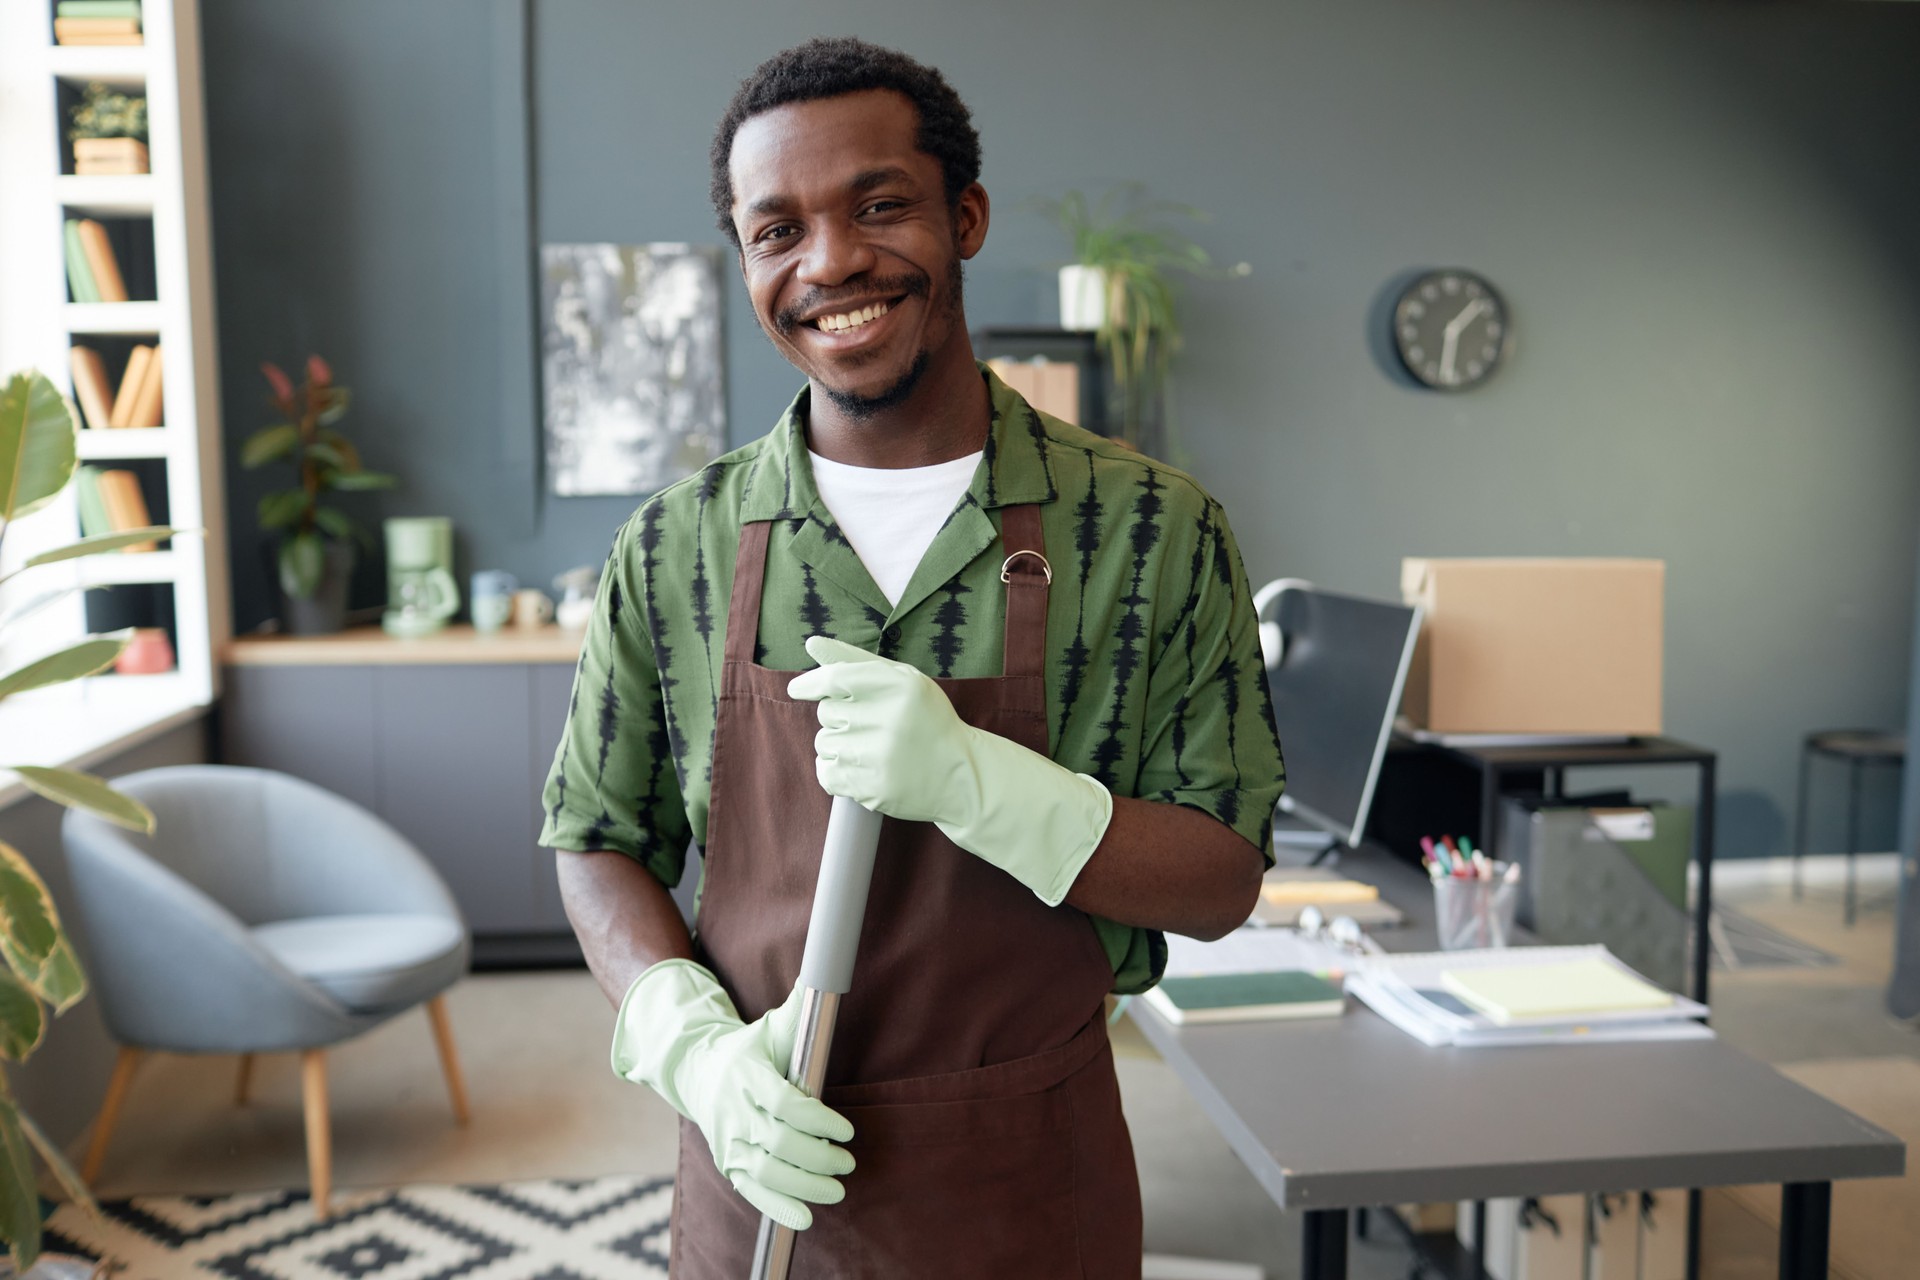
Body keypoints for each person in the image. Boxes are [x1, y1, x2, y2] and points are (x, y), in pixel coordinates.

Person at [540, 36, 1286, 1279]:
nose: (829, 261)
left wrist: (985, 784)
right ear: (745, 260)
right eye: (776, 230)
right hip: (757, 1181)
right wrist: (692, 1051)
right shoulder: (676, 544)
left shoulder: (1153, 531)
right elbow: (595, 837)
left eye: (878, 205)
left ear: (967, 216)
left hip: (1028, 1194)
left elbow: (1221, 875)